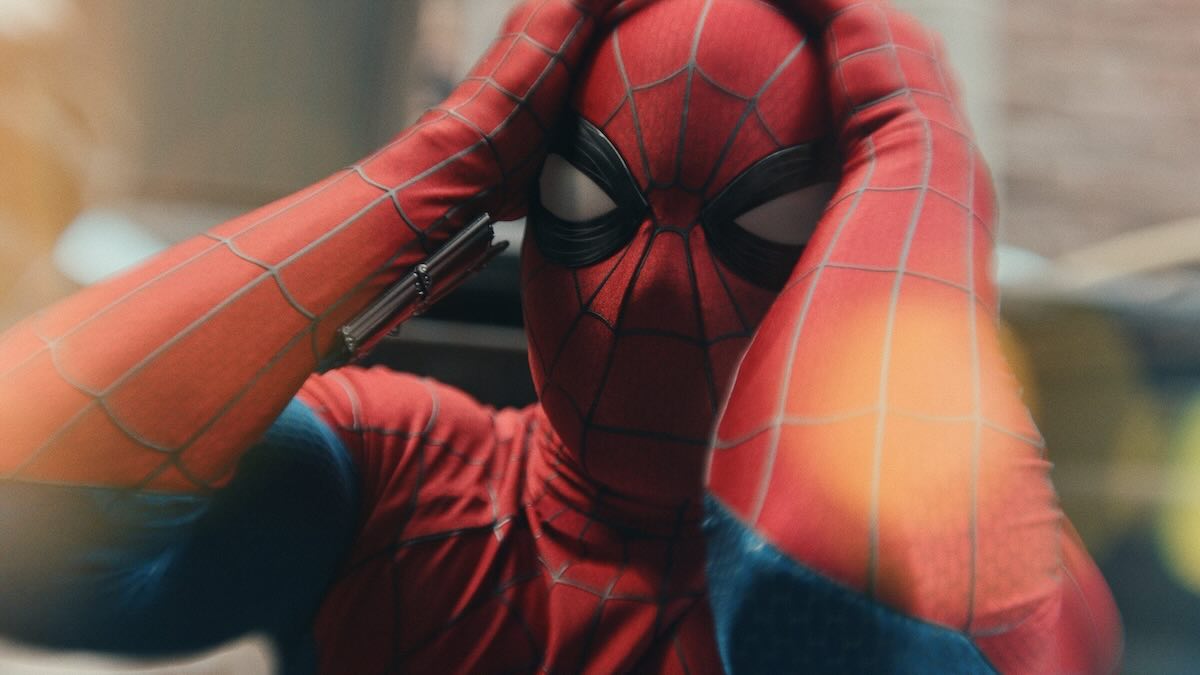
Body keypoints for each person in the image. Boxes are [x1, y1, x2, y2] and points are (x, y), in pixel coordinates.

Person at [0, 0, 1120, 673]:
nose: (657, 289)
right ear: (528, 199)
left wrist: (926, 164)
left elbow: (811, 613)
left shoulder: (996, 569)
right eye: (592, 203)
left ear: (845, 241)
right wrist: (439, 161)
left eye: (766, 227)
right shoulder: (398, 478)